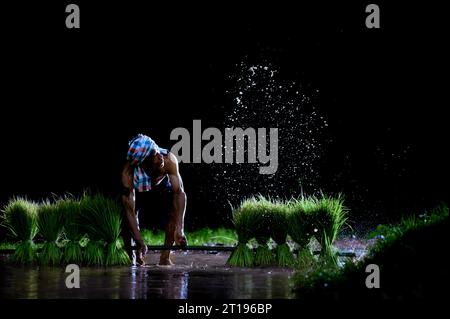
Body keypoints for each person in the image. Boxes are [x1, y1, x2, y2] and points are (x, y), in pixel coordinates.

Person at [121, 134, 187, 266]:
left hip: (161, 185)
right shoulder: (128, 174)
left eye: (158, 151)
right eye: (155, 155)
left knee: (174, 210)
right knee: (125, 219)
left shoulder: (168, 159)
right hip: (140, 188)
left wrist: (180, 228)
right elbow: (129, 211)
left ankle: (165, 256)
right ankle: (133, 256)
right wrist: (139, 240)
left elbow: (179, 193)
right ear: (144, 160)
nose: (160, 156)